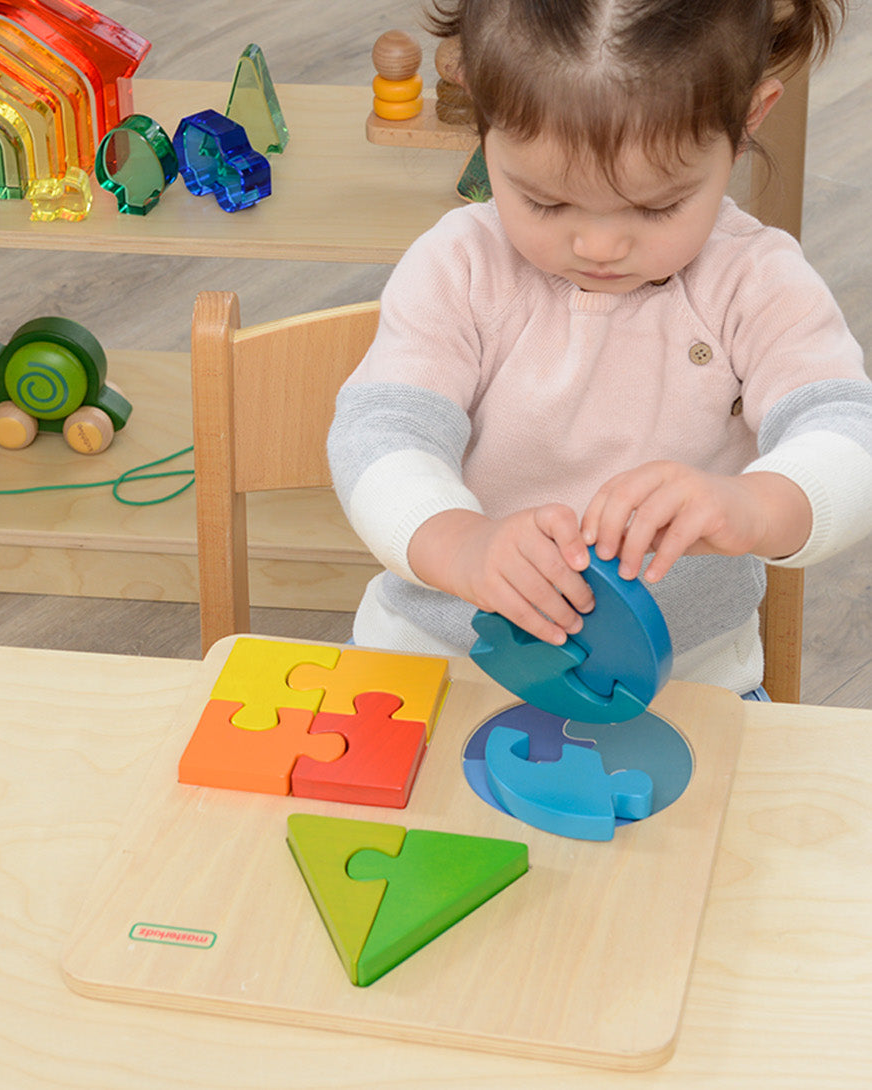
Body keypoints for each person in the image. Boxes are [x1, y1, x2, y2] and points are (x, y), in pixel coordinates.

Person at [328, 0, 872, 696]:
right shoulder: (459, 267)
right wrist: (458, 543)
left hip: (688, 687)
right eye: (546, 202)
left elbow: (848, 433)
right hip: (434, 662)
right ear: (479, 109)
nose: (600, 246)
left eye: (657, 206)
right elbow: (381, 433)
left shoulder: (756, 282)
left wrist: (756, 506)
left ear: (748, 120)